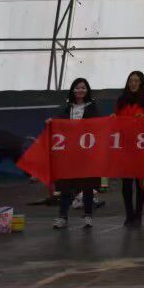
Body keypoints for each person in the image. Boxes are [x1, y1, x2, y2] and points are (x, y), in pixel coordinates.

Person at [51, 78, 99, 229]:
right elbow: (58, 124)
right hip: (69, 153)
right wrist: (51, 123)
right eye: (77, 87)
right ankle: (62, 217)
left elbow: (99, 126)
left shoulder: (92, 107)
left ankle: (88, 216)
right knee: (66, 186)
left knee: (87, 186)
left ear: (87, 90)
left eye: (83, 87)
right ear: (73, 90)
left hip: (86, 153)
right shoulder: (66, 108)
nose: (80, 90)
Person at [115, 70, 144, 227]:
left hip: (142, 147)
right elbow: (116, 121)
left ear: (141, 83)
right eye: (131, 80)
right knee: (126, 182)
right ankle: (129, 214)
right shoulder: (121, 101)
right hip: (125, 146)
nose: (133, 83)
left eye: (136, 81)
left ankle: (138, 214)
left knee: (140, 183)